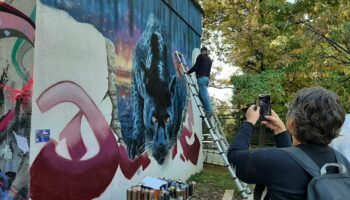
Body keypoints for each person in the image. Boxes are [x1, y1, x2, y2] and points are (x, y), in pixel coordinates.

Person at [227, 87, 348, 199]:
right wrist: (280, 131)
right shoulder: (343, 162)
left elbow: (234, 156)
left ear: (292, 121)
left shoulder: (272, 160)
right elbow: (298, 160)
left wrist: (249, 122)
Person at [187, 46, 213, 117]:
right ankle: (206, 110)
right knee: (201, 95)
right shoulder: (209, 60)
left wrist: (188, 72)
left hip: (201, 78)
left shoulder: (200, 56)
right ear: (206, 51)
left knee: (204, 95)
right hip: (207, 78)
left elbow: (196, 66)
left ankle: (209, 111)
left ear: (201, 51)